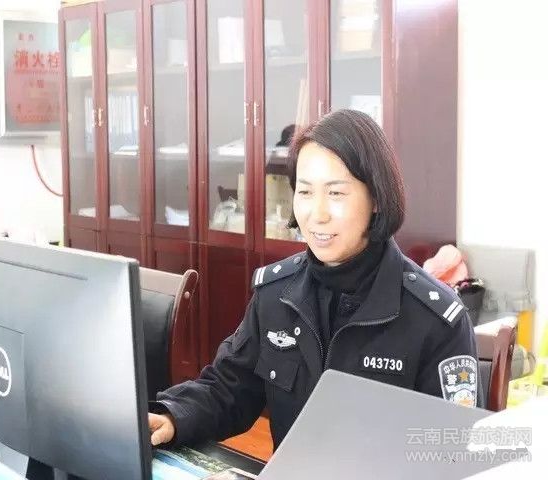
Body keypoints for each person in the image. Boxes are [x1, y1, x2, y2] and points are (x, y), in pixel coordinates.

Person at [148, 109, 481, 451]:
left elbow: (452, 452)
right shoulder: (276, 294)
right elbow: (228, 388)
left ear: (377, 198)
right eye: (305, 192)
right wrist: (173, 416)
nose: (316, 214)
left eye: (336, 193)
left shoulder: (435, 320)